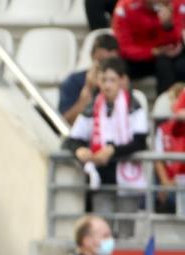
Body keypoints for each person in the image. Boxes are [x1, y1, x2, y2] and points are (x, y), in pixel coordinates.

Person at [65, 57, 149, 235]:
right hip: (101, 179)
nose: (107, 86)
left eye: (112, 80)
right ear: (98, 81)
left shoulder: (134, 106)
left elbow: (140, 141)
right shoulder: (92, 107)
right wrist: (80, 149)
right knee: (102, 233)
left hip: (127, 180)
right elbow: (71, 140)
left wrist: (112, 151)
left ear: (122, 81)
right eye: (103, 80)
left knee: (126, 233)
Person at [112, 0, 185, 94]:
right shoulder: (125, 6)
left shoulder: (178, 3)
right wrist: (153, 52)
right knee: (115, 66)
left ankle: (170, 103)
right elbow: (123, 47)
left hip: (167, 55)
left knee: (173, 64)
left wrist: (168, 27)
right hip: (137, 59)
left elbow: (176, 43)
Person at [59, 33, 120, 125]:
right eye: (102, 62)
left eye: (111, 64)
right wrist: (88, 89)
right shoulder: (73, 81)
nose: (105, 71)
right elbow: (65, 122)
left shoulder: (121, 83)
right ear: (92, 55)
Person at [154, 85, 185, 213]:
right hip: (170, 182)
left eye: (176, 99)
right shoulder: (163, 128)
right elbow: (158, 159)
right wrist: (165, 183)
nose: (172, 103)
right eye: (171, 99)